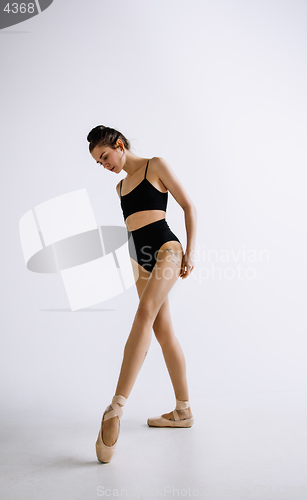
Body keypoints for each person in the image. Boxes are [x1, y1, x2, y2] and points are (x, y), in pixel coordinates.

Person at [87, 125, 197, 463]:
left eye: (105, 156)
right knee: (163, 331)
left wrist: (190, 251)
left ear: (119, 145)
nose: (104, 165)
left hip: (167, 249)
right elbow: (134, 231)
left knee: (144, 314)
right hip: (140, 260)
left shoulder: (155, 165)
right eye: (98, 162)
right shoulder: (120, 188)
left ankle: (115, 408)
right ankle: (183, 411)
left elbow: (188, 206)